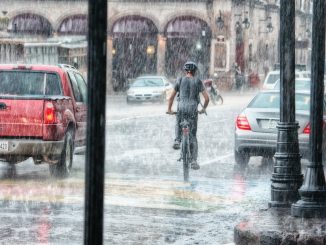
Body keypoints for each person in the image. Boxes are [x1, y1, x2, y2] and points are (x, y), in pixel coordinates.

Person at [166, 61, 209, 170]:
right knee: (193, 136)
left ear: (185, 71)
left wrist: (169, 109)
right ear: (195, 71)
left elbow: (171, 97)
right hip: (193, 109)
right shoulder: (198, 81)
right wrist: (203, 109)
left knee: (178, 122)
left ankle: (177, 140)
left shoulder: (180, 80)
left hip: (181, 108)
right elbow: (207, 98)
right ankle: (194, 160)